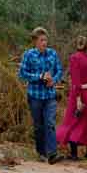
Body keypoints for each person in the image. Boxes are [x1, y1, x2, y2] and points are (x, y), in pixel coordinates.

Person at [18, 27, 63, 164]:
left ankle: (52, 154)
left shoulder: (52, 54)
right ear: (35, 41)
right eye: (41, 40)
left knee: (50, 123)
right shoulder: (29, 55)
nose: (44, 42)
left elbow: (59, 70)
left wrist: (53, 80)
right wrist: (39, 76)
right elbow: (22, 74)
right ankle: (41, 152)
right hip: (35, 96)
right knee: (39, 126)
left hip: (50, 95)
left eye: (46, 40)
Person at [56, 36, 87, 161]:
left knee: (72, 122)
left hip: (78, 94)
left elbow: (76, 82)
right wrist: (86, 87)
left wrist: (78, 99)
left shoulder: (74, 58)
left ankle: (74, 154)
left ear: (77, 45)